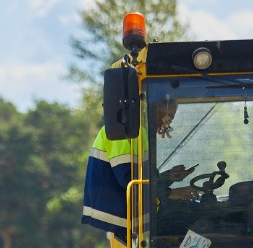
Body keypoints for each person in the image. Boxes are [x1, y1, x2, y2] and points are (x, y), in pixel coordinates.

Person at [81, 96, 190, 233]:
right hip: (126, 224)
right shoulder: (123, 130)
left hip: (137, 221)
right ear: (154, 107)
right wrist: (168, 194)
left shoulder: (140, 132)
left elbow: (144, 178)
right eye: (168, 118)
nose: (167, 124)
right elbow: (130, 179)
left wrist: (169, 177)